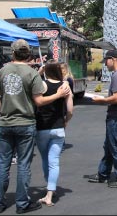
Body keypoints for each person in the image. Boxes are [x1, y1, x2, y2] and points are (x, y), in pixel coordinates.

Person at [0, 39, 70, 214]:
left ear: (13, 53)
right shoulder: (32, 73)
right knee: (23, 164)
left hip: (6, 123)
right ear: (28, 54)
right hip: (25, 123)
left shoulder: (3, 71)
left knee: (3, 163)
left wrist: (2, 112)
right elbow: (39, 101)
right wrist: (57, 95)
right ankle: (22, 202)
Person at [88, 50, 117, 188]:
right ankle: (103, 174)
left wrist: (101, 100)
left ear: (112, 59)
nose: (105, 65)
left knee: (116, 148)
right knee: (109, 146)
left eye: (106, 61)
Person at [35, 60, 74, 207]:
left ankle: (48, 187)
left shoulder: (42, 84)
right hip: (58, 127)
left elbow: (35, 98)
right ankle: (50, 193)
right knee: (54, 161)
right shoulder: (65, 86)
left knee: (45, 159)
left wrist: (39, 72)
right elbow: (70, 110)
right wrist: (66, 121)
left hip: (42, 127)